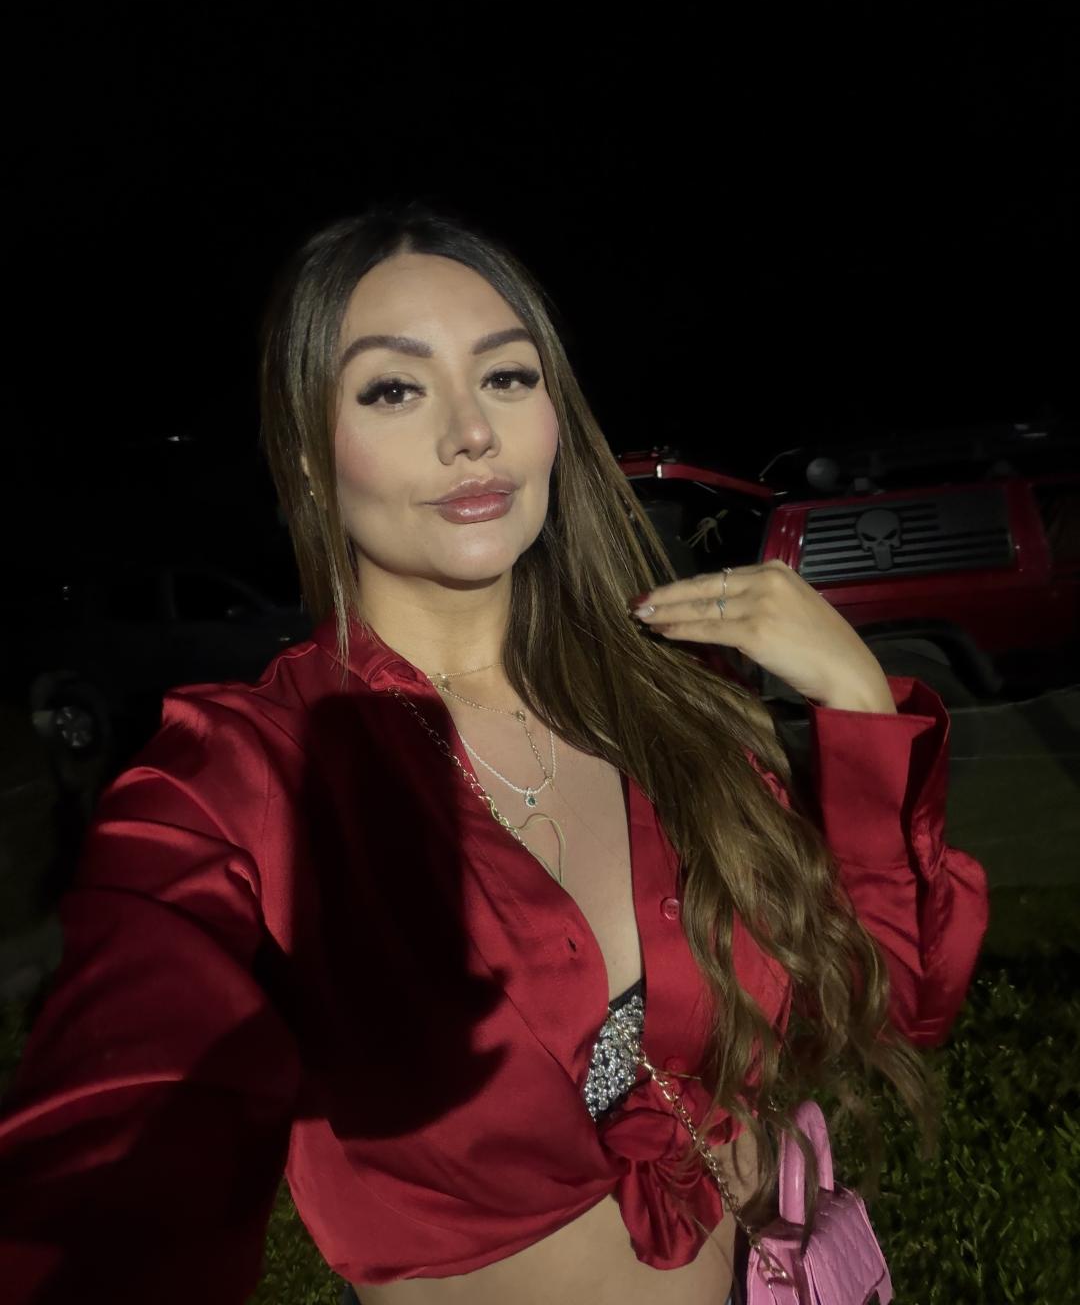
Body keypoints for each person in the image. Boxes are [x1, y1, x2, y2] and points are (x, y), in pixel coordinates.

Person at [0, 201, 989, 1304]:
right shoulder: (241, 781)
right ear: (311, 458)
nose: (471, 431)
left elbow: (894, 1000)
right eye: (394, 388)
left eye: (507, 376)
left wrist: (857, 699)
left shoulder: (671, 704)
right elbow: (106, 1168)